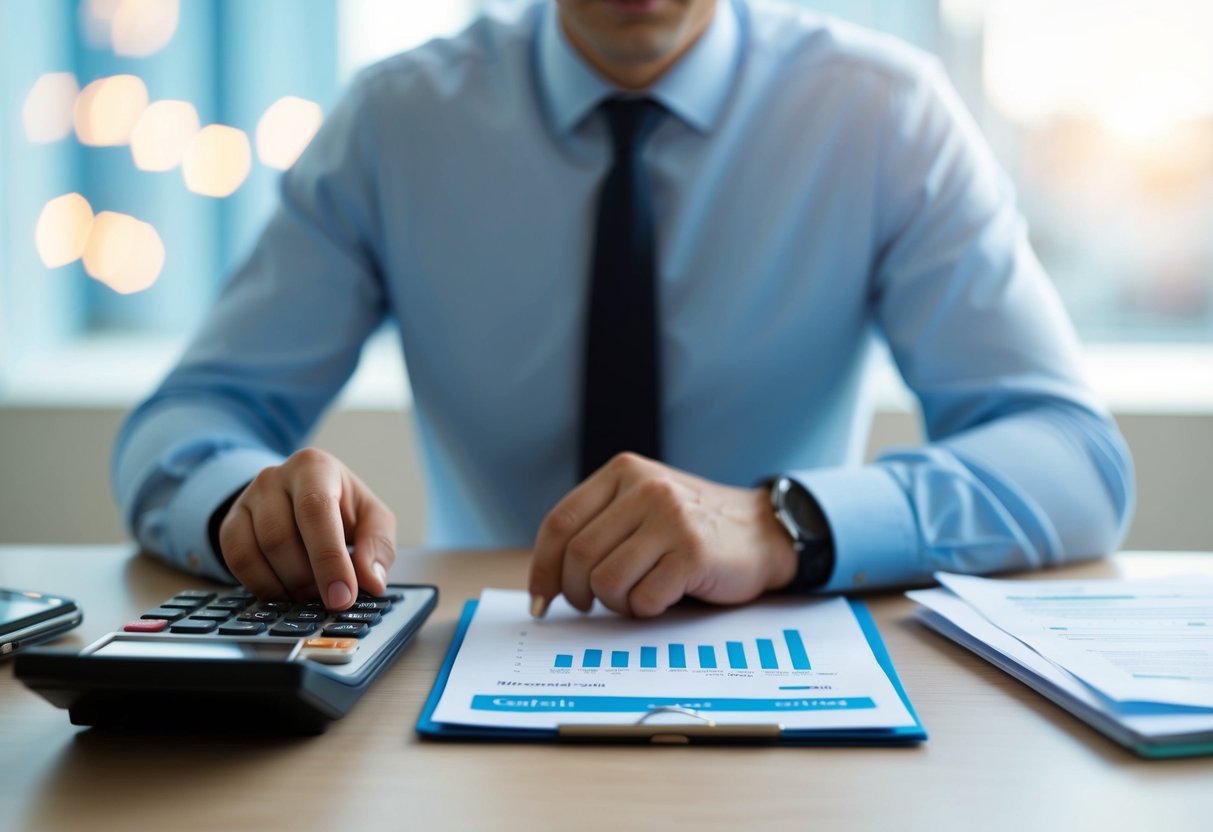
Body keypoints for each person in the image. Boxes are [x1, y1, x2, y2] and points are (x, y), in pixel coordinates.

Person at [112, 0, 1135, 619]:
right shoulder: (395, 124)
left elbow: (1071, 458)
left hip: (790, 667)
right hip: (484, 658)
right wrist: (249, 504)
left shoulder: (884, 113)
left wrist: (785, 521)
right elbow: (183, 425)